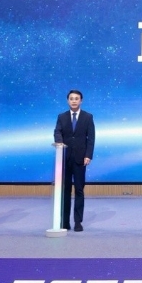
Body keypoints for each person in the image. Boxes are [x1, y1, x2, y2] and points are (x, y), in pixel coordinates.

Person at [53, 90, 95, 232]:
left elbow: (91, 138)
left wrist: (88, 155)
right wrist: (59, 143)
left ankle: (78, 222)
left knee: (79, 190)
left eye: (77, 98)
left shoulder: (88, 117)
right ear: (68, 101)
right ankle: (65, 222)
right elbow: (57, 132)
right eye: (71, 99)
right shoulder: (62, 116)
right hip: (64, 158)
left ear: (81, 101)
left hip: (80, 159)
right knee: (65, 191)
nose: (74, 101)